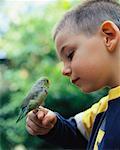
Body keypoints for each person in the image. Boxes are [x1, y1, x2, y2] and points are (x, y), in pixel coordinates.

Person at [26, 0, 120, 149]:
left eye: (69, 55)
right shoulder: (103, 109)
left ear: (108, 36)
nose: (64, 70)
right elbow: (75, 132)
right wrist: (52, 126)